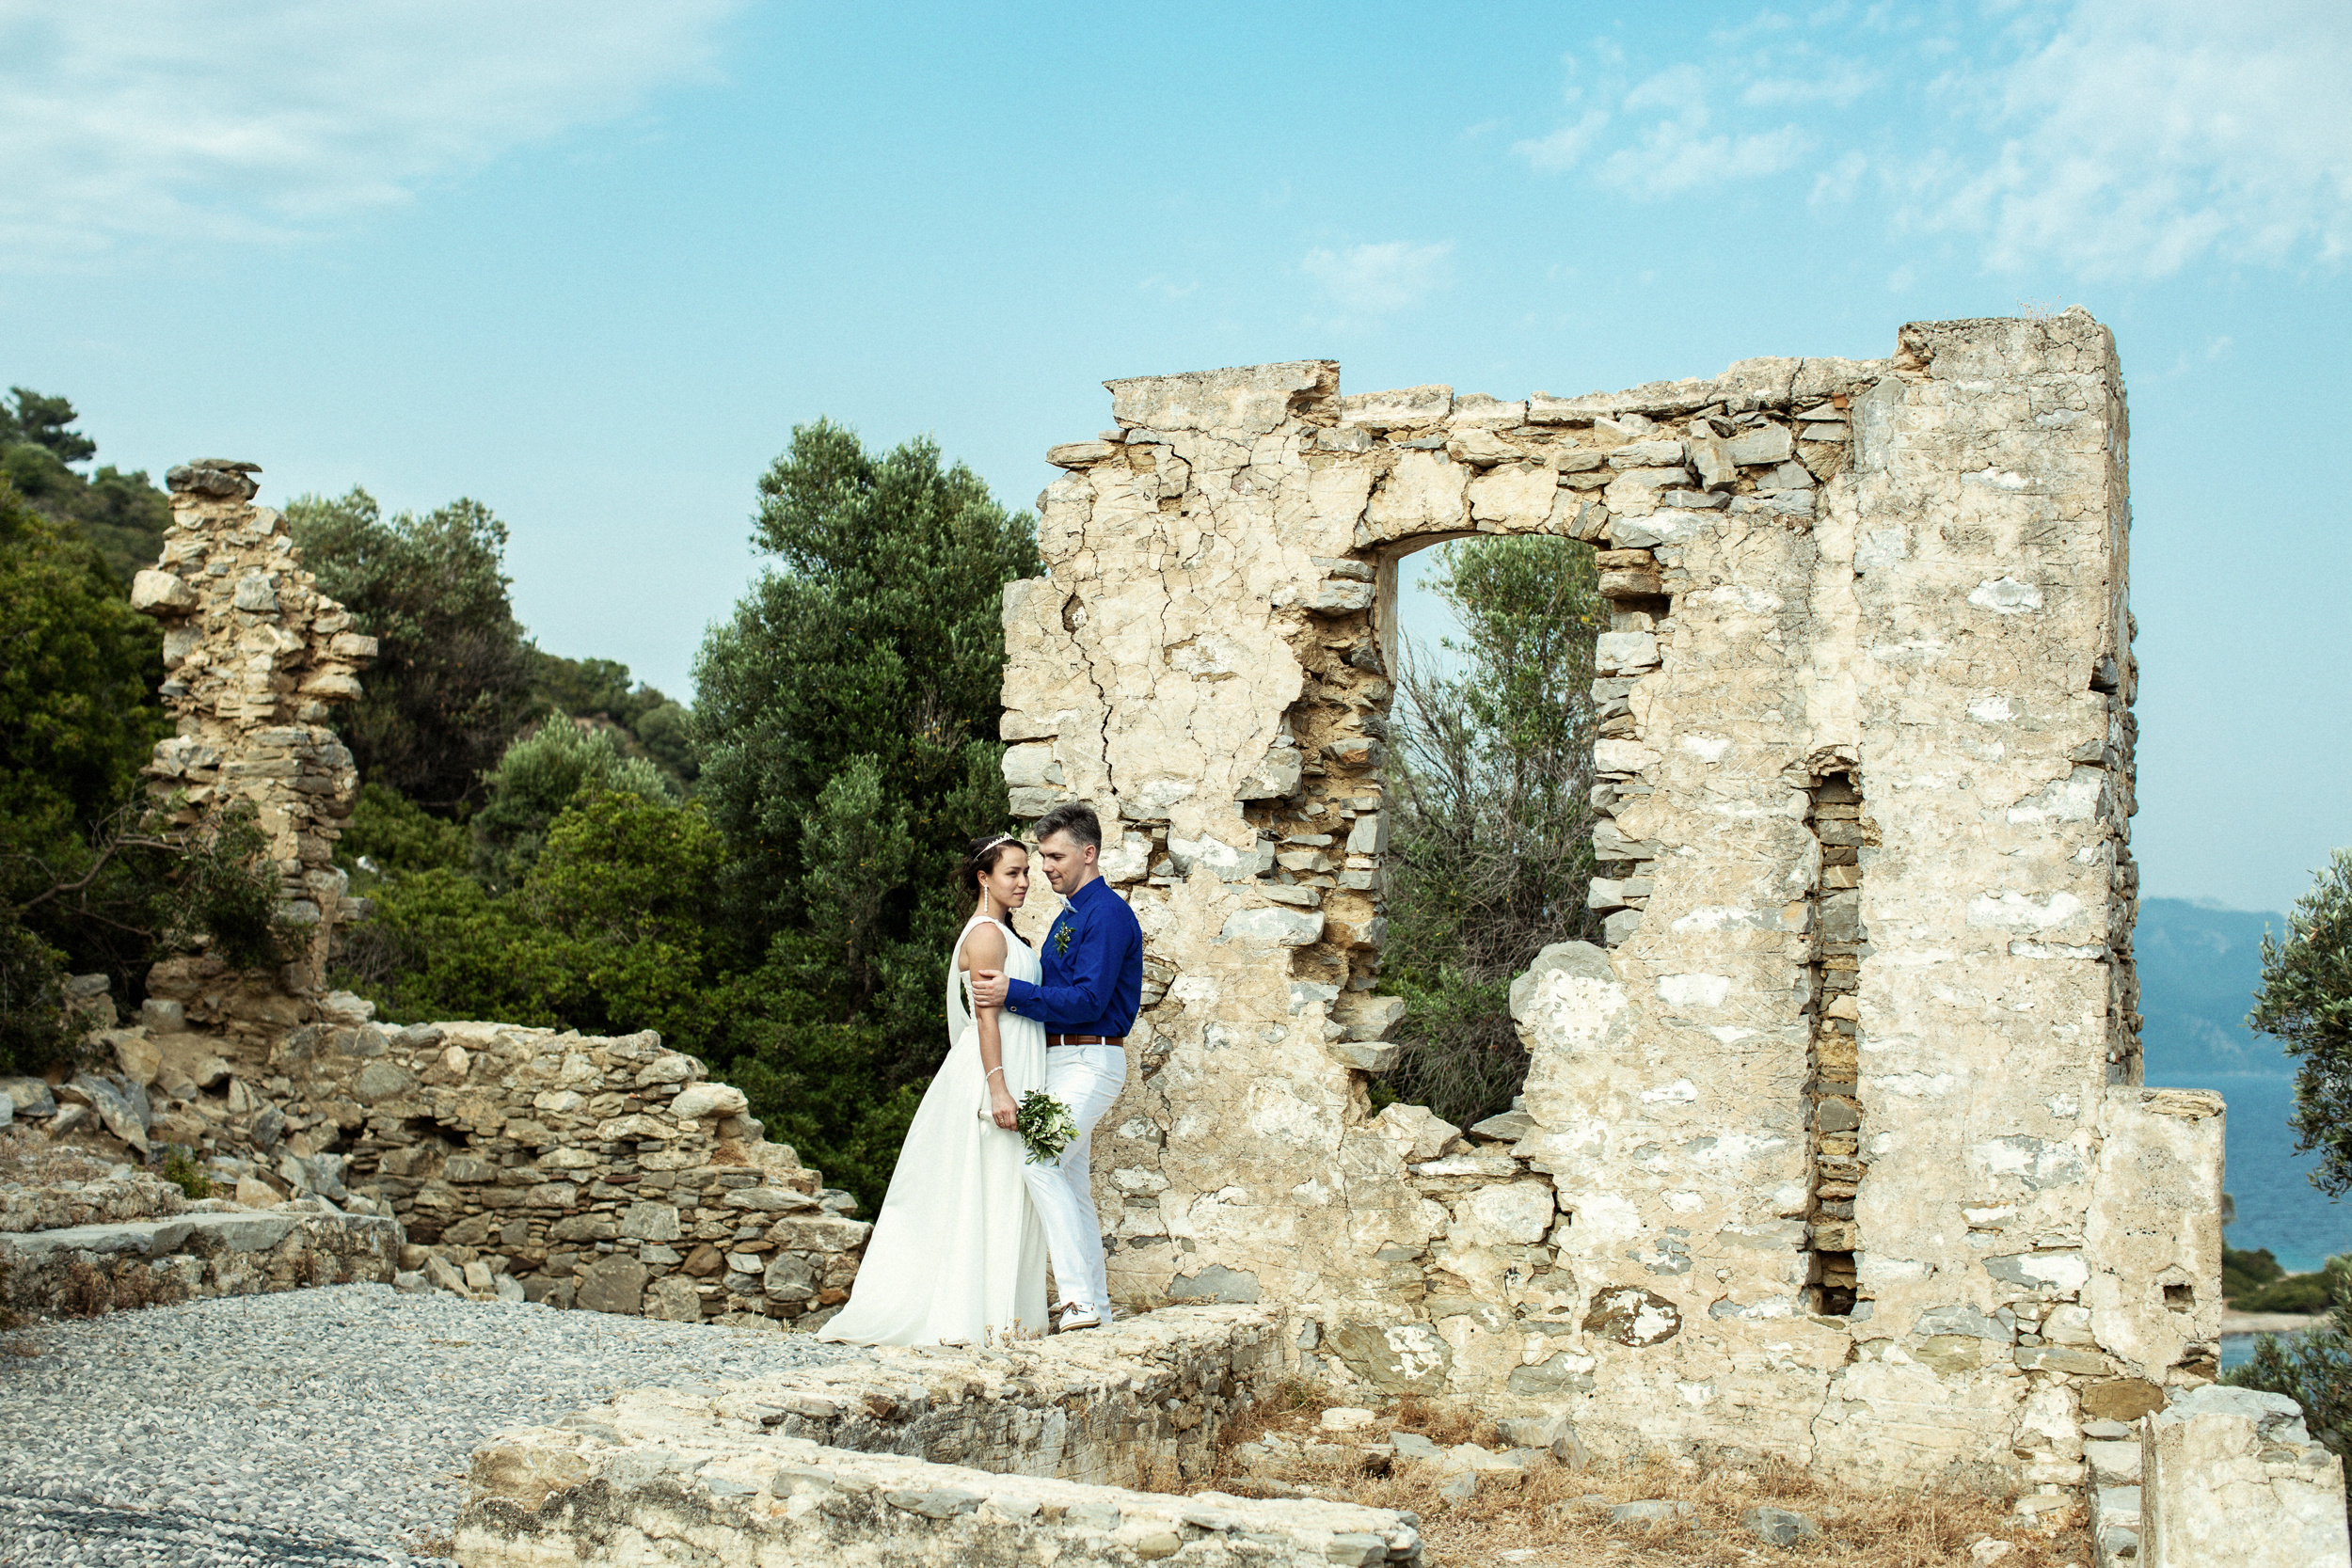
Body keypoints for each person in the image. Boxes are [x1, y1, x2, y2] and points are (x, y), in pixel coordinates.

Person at [819, 835, 1049, 1346]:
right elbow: (986, 1022)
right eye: (1012, 873)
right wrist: (999, 1089)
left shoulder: (1009, 936)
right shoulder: (987, 934)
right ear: (983, 878)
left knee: (1007, 1188)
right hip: (996, 1072)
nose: (1024, 882)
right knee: (985, 1187)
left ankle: (1004, 1316)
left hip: (1019, 1066)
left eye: (1026, 872)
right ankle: (971, 1316)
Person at [970, 801, 1141, 1332]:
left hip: (1090, 1058)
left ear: (1088, 854)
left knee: (1038, 1164)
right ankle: (1098, 1307)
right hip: (1063, 1059)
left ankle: (1077, 1302)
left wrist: (1011, 993)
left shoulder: (1108, 914)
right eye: (1042, 856)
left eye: (1054, 856)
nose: (1045, 867)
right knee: (1069, 1180)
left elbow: (1090, 1000)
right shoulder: (1072, 914)